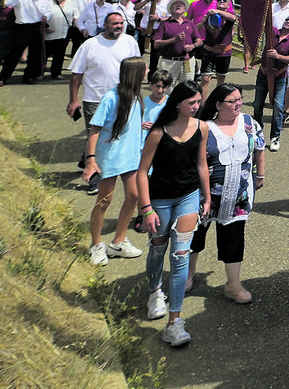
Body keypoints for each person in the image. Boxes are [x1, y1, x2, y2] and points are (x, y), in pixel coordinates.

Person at [138, 82, 210, 348]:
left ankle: (175, 321)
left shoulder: (201, 127)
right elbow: (141, 172)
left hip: (188, 197)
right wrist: (146, 208)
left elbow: (201, 164)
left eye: (198, 101)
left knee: (181, 255)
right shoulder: (158, 132)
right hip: (160, 198)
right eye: (191, 102)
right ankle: (155, 290)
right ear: (177, 103)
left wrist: (207, 197)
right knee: (158, 248)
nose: (196, 106)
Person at [188, 83, 267, 304]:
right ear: (218, 104)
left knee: (233, 238)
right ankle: (187, 275)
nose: (238, 104)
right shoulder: (203, 127)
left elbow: (259, 148)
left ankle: (233, 285)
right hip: (204, 197)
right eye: (232, 101)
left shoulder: (250, 123)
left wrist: (260, 175)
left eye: (240, 99)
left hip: (237, 197)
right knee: (196, 234)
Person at [81, 58, 148, 265]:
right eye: (145, 70)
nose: (148, 72)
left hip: (131, 158)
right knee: (104, 200)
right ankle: (96, 244)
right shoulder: (110, 98)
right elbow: (95, 129)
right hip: (109, 159)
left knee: (134, 195)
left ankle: (118, 241)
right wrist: (91, 159)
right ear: (136, 74)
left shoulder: (137, 97)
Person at [68, 12, 144, 190]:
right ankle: (96, 178)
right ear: (105, 25)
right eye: (114, 23)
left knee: (111, 135)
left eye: (121, 23)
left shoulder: (130, 42)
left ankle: (85, 156)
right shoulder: (90, 45)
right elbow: (76, 74)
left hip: (123, 98)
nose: (119, 26)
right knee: (97, 135)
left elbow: (137, 68)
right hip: (95, 98)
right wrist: (73, 100)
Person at [252, 13, 289, 150]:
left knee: (279, 106)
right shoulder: (272, 31)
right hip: (263, 74)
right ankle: (257, 131)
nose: (288, 22)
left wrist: (278, 56)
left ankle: (275, 137)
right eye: (287, 19)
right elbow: (262, 22)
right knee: (257, 104)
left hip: (279, 77)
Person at [0, 0, 53, 85]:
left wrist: (47, 17)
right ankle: (3, 77)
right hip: (23, 27)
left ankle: (29, 76)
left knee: (35, 54)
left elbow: (47, 11)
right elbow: (8, 3)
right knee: (14, 53)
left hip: (36, 27)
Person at [152, 0, 202, 86]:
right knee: (167, 89)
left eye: (181, 4)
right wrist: (174, 40)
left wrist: (193, 46)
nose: (178, 5)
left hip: (188, 61)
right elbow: (156, 44)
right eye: (175, 4)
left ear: (185, 10)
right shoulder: (165, 24)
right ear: (170, 9)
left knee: (186, 89)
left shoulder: (190, 23)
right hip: (169, 62)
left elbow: (199, 40)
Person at [43, 0, 82, 79]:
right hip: (50, 31)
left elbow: (76, 15)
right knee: (45, 54)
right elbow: (43, 16)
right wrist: (46, 27)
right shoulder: (49, 3)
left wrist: (75, 22)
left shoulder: (71, 3)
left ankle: (56, 73)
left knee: (59, 54)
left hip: (64, 32)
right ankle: (40, 72)